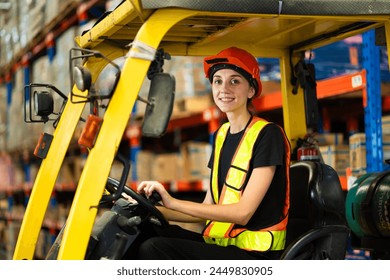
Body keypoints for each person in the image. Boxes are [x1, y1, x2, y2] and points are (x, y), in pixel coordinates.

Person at [135, 46, 291, 260]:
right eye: (218, 81)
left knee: (153, 249)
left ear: (251, 90)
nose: (224, 89)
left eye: (234, 81)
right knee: (141, 232)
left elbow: (242, 214)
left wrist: (173, 202)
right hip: (225, 246)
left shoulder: (267, 134)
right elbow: (209, 206)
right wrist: (152, 210)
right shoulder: (221, 135)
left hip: (256, 256)